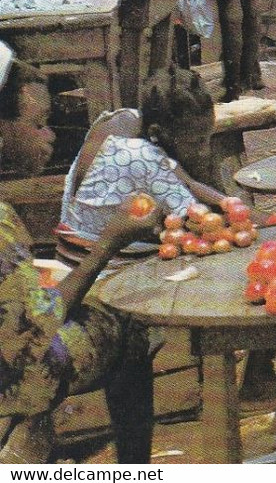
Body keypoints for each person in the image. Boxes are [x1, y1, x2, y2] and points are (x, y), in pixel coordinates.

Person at [0, 48, 159, 463]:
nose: (50, 135)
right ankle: (134, 468)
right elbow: (31, 335)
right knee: (125, 324)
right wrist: (107, 244)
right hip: (13, 376)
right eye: (37, 125)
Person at [59, 101, 223, 244]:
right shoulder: (141, 155)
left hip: (73, 240)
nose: (205, 151)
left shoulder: (127, 119)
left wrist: (226, 202)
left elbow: (189, 183)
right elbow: (196, 217)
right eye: (196, 142)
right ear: (156, 132)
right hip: (96, 262)